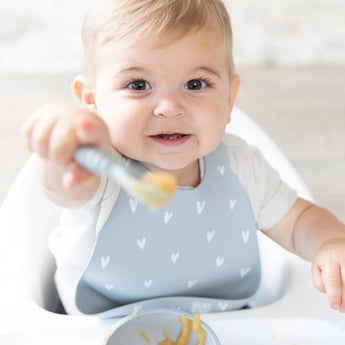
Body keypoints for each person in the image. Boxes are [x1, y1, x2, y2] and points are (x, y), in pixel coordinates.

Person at [22, 0, 345, 317]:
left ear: (229, 99)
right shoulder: (103, 171)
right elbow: (63, 186)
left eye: (195, 84)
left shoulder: (242, 166)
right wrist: (61, 144)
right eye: (138, 85)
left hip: (227, 320)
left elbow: (298, 221)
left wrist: (331, 241)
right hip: (105, 323)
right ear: (92, 102)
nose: (170, 107)